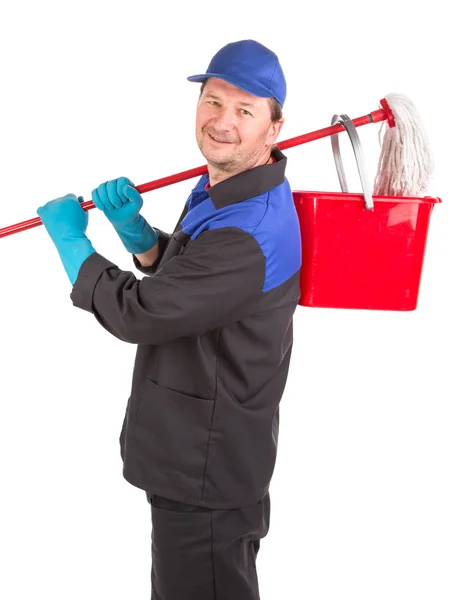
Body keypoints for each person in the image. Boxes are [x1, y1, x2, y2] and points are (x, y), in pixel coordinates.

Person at [36, 39, 302, 600]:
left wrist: (71, 243)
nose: (222, 122)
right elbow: (195, 283)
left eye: (245, 110)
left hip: (206, 469)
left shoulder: (247, 229)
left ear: (274, 129)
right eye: (212, 101)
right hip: (204, 455)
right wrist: (139, 237)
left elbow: (142, 313)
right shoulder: (225, 190)